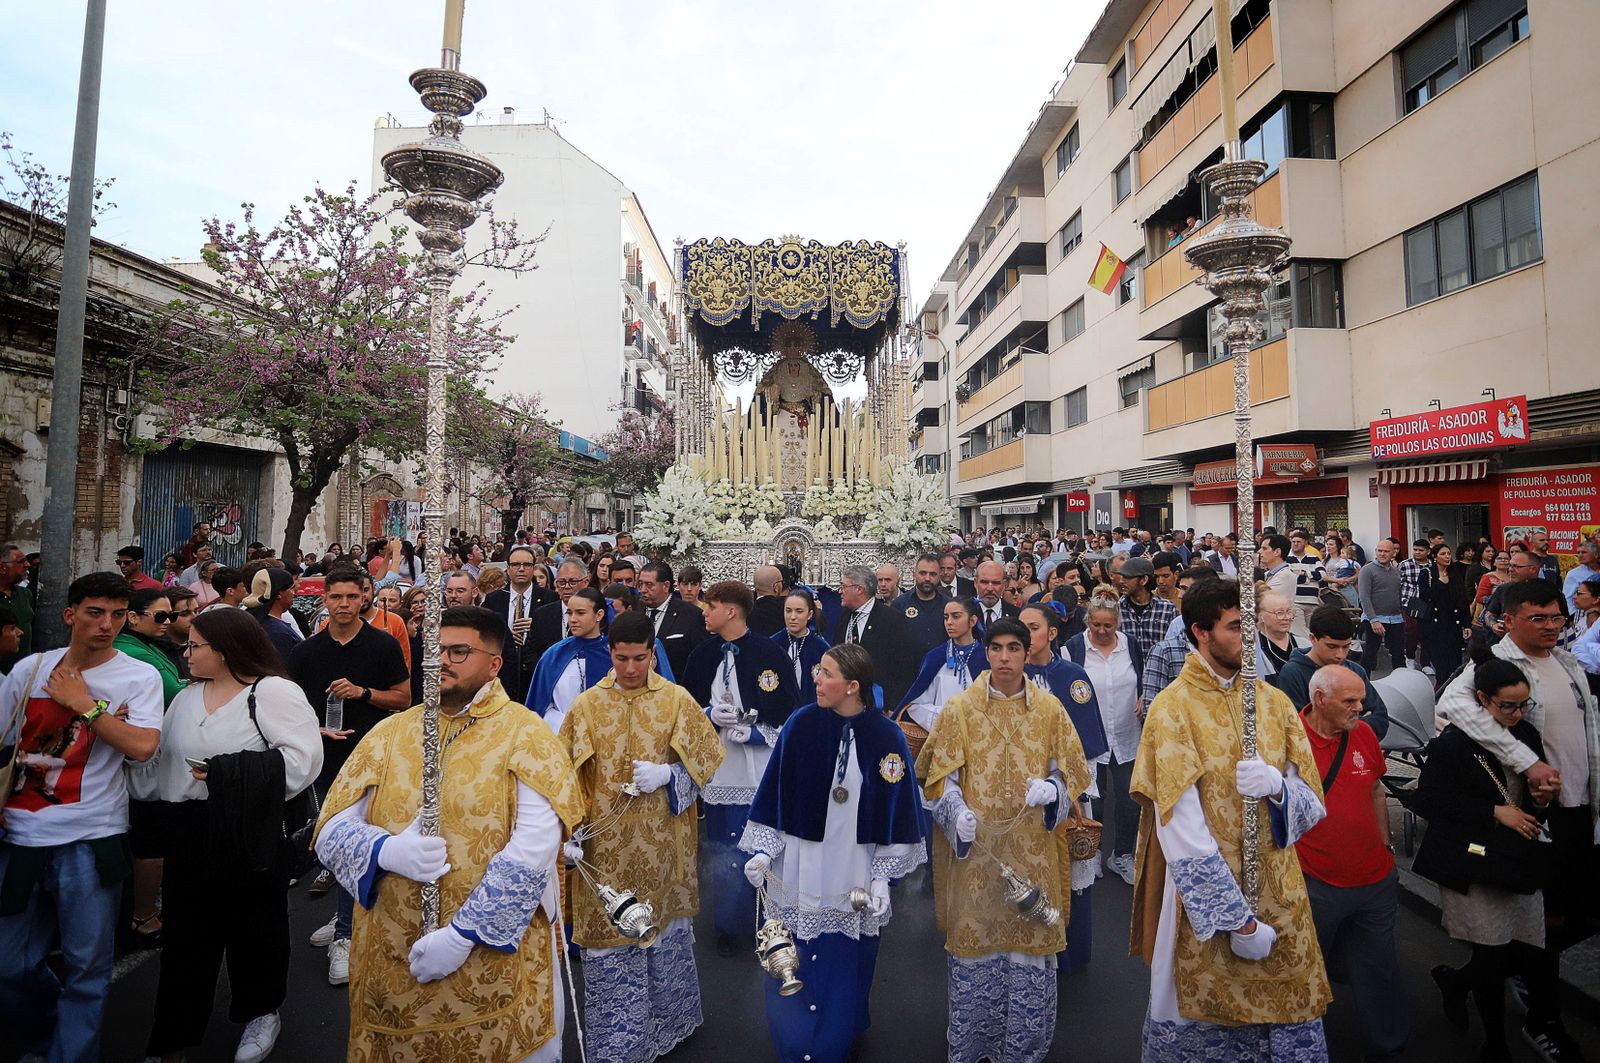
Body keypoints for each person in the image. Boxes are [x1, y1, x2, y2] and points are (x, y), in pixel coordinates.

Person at [313, 605, 582, 1061]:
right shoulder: (390, 732)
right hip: (395, 957)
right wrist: (386, 850)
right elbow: (331, 827)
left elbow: (534, 848)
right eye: (435, 650)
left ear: (494, 664)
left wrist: (464, 935)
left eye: (460, 651)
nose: (443, 660)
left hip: (492, 956)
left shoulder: (526, 733)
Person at [1130, 577, 1332, 1060]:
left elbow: (1313, 805)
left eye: (1249, 625)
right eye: (1235, 627)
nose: (1248, 637)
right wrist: (1237, 922)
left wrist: (1279, 788)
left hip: (1280, 892)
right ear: (1201, 632)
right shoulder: (1172, 708)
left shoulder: (1273, 701)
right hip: (1207, 909)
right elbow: (1179, 829)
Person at [142, 609, 322, 1063]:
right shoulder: (186, 697)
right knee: (185, 940)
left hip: (248, 830)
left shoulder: (273, 692)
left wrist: (225, 775)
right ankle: (172, 1039)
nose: (186, 654)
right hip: (188, 832)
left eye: (194, 646)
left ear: (225, 650)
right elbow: (161, 762)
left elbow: (302, 762)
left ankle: (262, 1011)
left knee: (256, 929)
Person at [0, 572, 163, 1062]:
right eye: (95, 612)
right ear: (71, 615)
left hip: (92, 838)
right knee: (11, 966)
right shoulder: (30, 670)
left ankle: (70, 1054)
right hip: (19, 834)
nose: (107, 625)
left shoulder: (139, 676)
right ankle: (48, 1031)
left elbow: (142, 748)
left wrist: (85, 707)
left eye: (117, 615)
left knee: (87, 968)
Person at [1433, 579, 1598, 1058]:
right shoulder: (1491, 667)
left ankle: (1470, 977)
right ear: (1508, 620)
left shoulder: (1568, 662)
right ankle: (1543, 1019)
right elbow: (1451, 707)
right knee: (1545, 922)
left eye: (1556, 618)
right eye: (1537, 618)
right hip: (1533, 818)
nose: (1550, 627)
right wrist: (1526, 764)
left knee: (1578, 915)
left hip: (1578, 809)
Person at [916, 617, 1091, 1061]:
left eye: (1015, 648)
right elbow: (939, 777)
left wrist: (1054, 789)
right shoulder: (960, 709)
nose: (1006, 658)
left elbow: (1071, 767)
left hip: (1034, 848)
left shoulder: (1049, 708)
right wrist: (956, 814)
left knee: (1029, 950)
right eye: (998, 649)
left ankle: (1024, 1048)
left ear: (1028, 652)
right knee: (979, 947)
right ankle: (974, 1046)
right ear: (987, 653)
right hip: (978, 855)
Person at [740, 644, 925, 1063]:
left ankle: (835, 1037)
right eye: (817, 671)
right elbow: (774, 794)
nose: (816, 680)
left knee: (844, 962)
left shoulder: (886, 735)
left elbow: (898, 811)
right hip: (800, 863)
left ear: (853, 686)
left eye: (826, 674)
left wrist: (881, 876)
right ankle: (794, 1037)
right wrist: (765, 854)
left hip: (852, 867)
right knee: (795, 952)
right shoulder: (801, 724)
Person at [557, 611, 721, 1060]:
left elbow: (708, 756)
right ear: (610, 653)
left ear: (653, 652)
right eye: (623, 658)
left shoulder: (675, 700)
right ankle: (619, 1043)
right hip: (603, 849)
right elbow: (564, 774)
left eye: (640, 658)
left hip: (662, 841)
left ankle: (672, 1022)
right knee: (611, 941)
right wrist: (566, 832)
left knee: (663, 930)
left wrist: (670, 774)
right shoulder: (587, 705)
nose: (631, 669)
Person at [1415, 654, 1556, 1063]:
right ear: (1482, 699)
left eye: (1522, 704)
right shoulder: (1455, 743)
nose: (1516, 714)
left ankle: (1456, 984)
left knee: (1523, 949)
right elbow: (1428, 799)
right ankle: (1495, 1042)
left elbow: (1530, 799)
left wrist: (1542, 799)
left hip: (1516, 860)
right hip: (1472, 862)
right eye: (1506, 705)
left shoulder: (1526, 733)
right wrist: (1494, 812)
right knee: (1491, 956)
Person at [288, 566, 412, 983]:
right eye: (335, 597)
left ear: (364, 598)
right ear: (324, 599)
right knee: (330, 843)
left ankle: (345, 933)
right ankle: (347, 913)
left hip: (374, 759)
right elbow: (291, 708)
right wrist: (314, 730)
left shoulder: (382, 644)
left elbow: (403, 697)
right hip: (323, 761)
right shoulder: (306, 652)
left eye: (350, 597)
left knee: (358, 841)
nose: (343, 605)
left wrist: (362, 693)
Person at [683, 580, 801, 956]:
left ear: (731, 611)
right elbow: (683, 709)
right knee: (724, 849)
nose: (705, 612)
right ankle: (729, 926)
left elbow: (789, 711)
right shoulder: (702, 655)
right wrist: (707, 714)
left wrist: (758, 733)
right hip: (720, 771)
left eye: (711, 606)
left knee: (763, 849)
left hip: (758, 772)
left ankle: (770, 925)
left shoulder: (769, 654)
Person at [1296, 666, 1407, 1062]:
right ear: (1320, 700)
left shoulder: (1362, 735)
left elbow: (1377, 789)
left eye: (1361, 699)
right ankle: (1304, 1048)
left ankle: (1389, 1045)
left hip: (1373, 878)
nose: (1361, 709)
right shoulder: (1288, 739)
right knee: (1306, 969)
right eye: (1350, 701)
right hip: (1314, 880)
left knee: (1379, 967)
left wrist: (1386, 846)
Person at [1064, 592, 1145, 885]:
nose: (1101, 631)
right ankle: (1094, 851)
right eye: (1096, 624)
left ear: (1117, 624)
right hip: (1090, 737)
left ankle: (1122, 854)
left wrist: (1144, 696)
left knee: (1128, 799)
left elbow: (1141, 677)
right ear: (1088, 622)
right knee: (1094, 800)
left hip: (1126, 732)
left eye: (1108, 626)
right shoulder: (1074, 648)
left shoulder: (1131, 646)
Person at [1273, 605, 1391, 741]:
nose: (1340, 655)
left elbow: (1381, 721)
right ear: (1313, 638)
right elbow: (1297, 729)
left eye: (1346, 647)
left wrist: (1334, 725)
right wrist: (1357, 723)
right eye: (1332, 646)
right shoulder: (1293, 674)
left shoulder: (1355, 670)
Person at [524, 587, 614, 737]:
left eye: (580, 613)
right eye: (569, 613)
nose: (572, 619)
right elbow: (539, 705)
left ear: (599, 615)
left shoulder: (613, 654)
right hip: (558, 736)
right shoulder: (554, 654)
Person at [834, 564, 915, 711]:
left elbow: (904, 668)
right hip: (846, 703)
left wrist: (893, 706)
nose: (840, 591)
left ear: (859, 589)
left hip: (879, 706)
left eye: (844, 586)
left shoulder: (892, 620)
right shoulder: (844, 617)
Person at [483, 545, 556, 707]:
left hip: (535, 676)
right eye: (516, 565)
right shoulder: (493, 600)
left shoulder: (549, 598)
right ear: (508, 569)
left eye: (526, 565)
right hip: (503, 677)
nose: (521, 569)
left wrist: (537, 624)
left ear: (533, 567)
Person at [898, 598, 984, 735]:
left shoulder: (987, 658)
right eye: (946, 617)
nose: (949, 622)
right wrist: (947, 716)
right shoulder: (935, 657)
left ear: (972, 621)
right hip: (943, 738)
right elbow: (915, 705)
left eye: (956, 616)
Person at [638, 561, 707, 680]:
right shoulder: (635, 610)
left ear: (665, 586)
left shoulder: (692, 615)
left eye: (649, 585)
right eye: (640, 584)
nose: (643, 590)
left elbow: (701, 661)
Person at [1419, 543, 1473, 687]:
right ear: (1435, 557)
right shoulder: (1427, 573)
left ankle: (1453, 692)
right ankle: (1441, 692)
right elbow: (1425, 596)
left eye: (1449, 553)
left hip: (1453, 624)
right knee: (1441, 664)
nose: (1447, 557)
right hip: (1434, 624)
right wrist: (1440, 583)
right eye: (1443, 554)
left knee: (1455, 664)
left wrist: (1467, 624)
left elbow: (1463, 600)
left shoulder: (1455, 573)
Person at [891, 552, 953, 662]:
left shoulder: (948, 605)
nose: (927, 578)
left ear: (939, 576)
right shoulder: (899, 604)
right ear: (915, 574)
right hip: (907, 671)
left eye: (932, 574)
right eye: (923, 573)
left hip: (941, 669)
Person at [774, 588, 830, 706]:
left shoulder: (821, 648)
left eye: (799, 611)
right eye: (788, 611)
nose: (792, 617)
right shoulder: (773, 644)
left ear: (809, 614)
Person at [1359, 538, 1407, 674]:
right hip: (1374, 619)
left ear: (1393, 553)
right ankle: (1362, 687)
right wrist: (1374, 620)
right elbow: (1364, 597)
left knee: (1398, 655)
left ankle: (1400, 685)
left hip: (1396, 618)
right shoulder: (1367, 570)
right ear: (1376, 551)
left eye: (1386, 551)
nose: (1382, 554)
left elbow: (1398, 594)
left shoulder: (1396, 571)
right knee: (1369, 654)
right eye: (1380, 551)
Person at [529, 558, 591, 662]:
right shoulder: (541, 615)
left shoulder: (594, 614)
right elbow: (531, 653)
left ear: (585, 582)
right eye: (562, 582)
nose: (567, 587)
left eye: (573, 582)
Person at [244, 567, 302, 663]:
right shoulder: (277, 632)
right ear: (279, 593)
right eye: (291, 588)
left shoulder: (251, 620)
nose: (294, 593)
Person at [0, 545, 33, 671]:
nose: (27, 565)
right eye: (21, 562)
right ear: (3, 567)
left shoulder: (25, 594)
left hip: (23, 674)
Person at [1258, 590, 1301, 681]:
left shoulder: (1303, 644)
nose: (1287, 617)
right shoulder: (1255, 649)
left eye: (1289, 612)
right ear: (1260, 615)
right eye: (1279, 613)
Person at [971, 560, 1020, 630]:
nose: (990, 588)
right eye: (984, 582)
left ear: (1004, 585)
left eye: (996, 583)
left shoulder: (1016, 615)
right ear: (975, 583)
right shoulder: (965, 612)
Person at [1562, 543, 1600, 614]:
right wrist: (1572, 616)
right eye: (1578, 553)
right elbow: (1567, 598)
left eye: (1584, 552)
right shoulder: (1573, 574)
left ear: (1596, 555)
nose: (1580, 555)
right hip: (1583, 615)